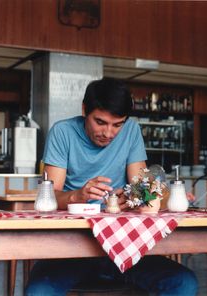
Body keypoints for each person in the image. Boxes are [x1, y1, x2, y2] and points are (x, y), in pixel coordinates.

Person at [25, 77, 198, 295]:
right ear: (84, 110)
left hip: (125, 246)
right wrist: (77, 196)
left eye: (117, 124)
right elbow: (49, 198)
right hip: (71, 248)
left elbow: (141, 186)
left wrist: (139, 196)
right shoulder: (63, 132)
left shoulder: (131, 131)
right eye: (100, 122)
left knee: (184, 283)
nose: (109, 133)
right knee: (38, 292)